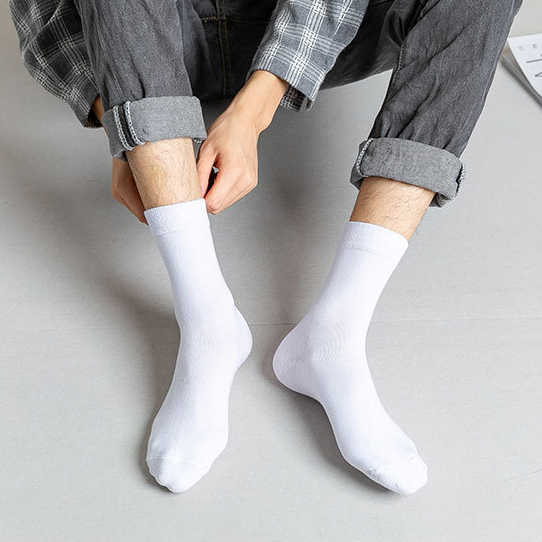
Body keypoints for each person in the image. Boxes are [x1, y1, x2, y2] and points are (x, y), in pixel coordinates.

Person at [9, 0, 523, 495]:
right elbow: (42, 11)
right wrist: (121, 125)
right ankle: (208, 321)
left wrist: (254, 109)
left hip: (320, 36)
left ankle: (336, 334)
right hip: (153, 36)